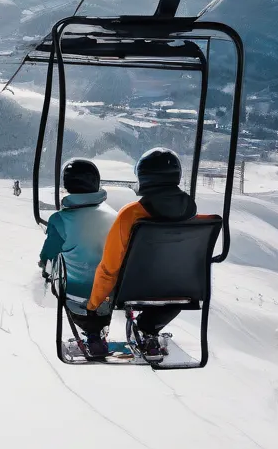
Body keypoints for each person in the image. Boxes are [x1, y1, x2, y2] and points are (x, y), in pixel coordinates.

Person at [87, 147, 197, 360]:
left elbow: (110, 267)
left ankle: (118, 330)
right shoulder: (192, 214)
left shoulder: (131, 215)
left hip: (134, 289)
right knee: (170, 294)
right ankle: (149, 328)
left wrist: (94, 305)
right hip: (182, 289)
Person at [38, 158, 116, 356]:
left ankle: (91, 333)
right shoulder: (115, 217)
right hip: (112, 293)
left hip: (76, 297)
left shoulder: (60, 220)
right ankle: (96, 333)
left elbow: (47, 257)